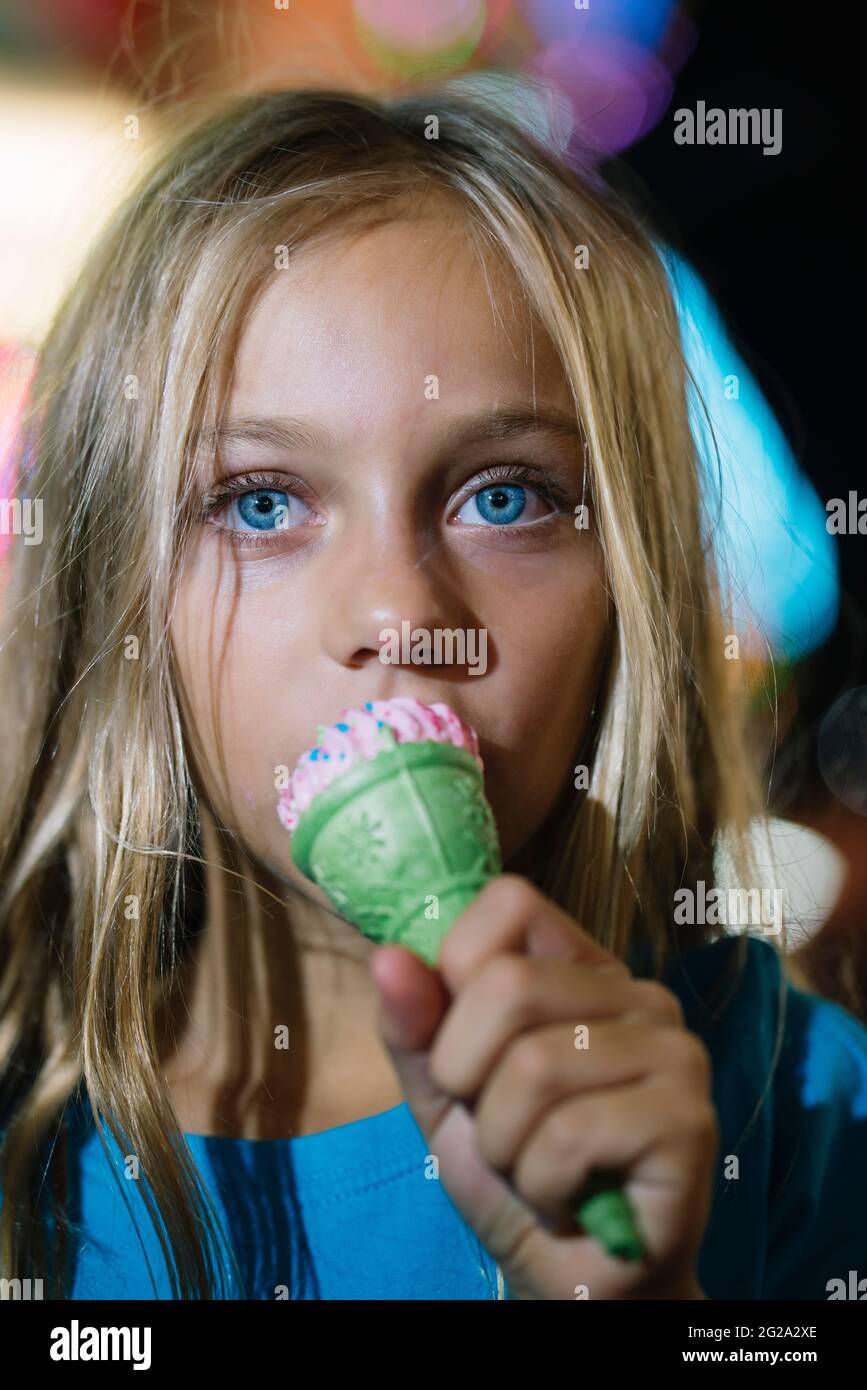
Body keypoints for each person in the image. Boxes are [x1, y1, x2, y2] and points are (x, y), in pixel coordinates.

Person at [1, 84, 865, 1302]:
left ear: (631, 578)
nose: (402, 616)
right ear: (114, 588)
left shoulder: (805, 1115)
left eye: (503, 497)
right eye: (261, 502)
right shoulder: (20, 1135)